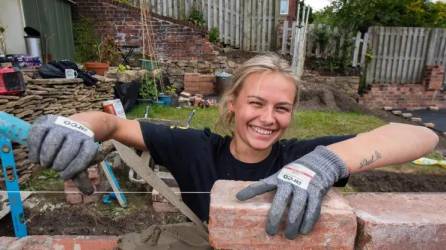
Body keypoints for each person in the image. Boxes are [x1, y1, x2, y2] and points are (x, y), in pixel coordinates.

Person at [27, 54, 439, 240]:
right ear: (233, 105)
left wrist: (329, 161)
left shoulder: (302, 157)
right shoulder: (194, 149)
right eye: (256, 104)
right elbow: (112, 123)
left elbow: (422, 136)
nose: (267, 118)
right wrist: (76, 124)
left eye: (282, 108)